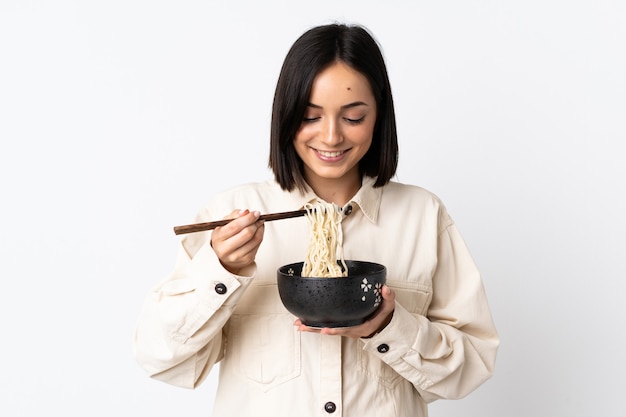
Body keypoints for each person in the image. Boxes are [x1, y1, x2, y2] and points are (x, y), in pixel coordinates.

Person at [133, 23, 499, 417]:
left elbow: (471, 366)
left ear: (379, 118)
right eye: (310, 116)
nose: (330, 137)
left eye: (353, 118)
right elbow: (160, 357)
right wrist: (222, 271)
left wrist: (389, 326)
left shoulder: (423, 216)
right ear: (286, 117)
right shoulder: (231, 213)